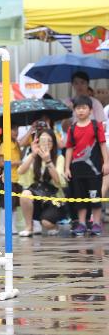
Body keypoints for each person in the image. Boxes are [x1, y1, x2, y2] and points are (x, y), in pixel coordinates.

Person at [64, 95, 109, 236]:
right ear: (74, 110)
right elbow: (69, 149)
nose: (81, 111)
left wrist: (106, 162)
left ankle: (96, 223)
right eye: (78, 108)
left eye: (84, 108)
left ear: (90, 110)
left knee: (95, 198)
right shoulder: (72, 129)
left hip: (94, 170)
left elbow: (102, 145)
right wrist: (66, 168)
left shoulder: (96, 126)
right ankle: (82, 224)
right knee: (80, 197)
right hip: (77, 170)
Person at [17, 128, 66, 237]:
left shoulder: (59, 158)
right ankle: (29, 227)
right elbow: (21, 171)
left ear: (54, 143)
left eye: (50, 141)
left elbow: (58, 180)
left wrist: (48, 161)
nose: (46, 143)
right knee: (25, 195)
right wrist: (33, 154)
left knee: (46, 224)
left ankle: (53, 225)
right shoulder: (34, 157)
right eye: (43, 140)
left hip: (53, 198)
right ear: (37, 142)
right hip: (37, 194)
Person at [0, 125, 22, 235]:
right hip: (7, 178)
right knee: (5, 204)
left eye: (17, 130)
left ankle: (12, 226)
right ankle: (2, 227)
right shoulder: (3, 145)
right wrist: (16, 163)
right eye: (13, 129)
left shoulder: (16, 144)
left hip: (17, 178)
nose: (15, 132)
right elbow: (2, 162)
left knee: (15, 204)